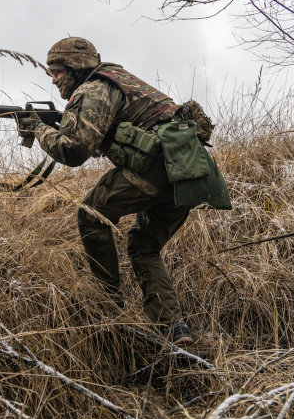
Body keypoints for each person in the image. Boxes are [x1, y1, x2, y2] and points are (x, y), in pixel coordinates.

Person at [18, 36, 198, 345]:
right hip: (189, 174)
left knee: (91, 215)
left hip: (157, 168)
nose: (54, 79)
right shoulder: (120, 80)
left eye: (58, 71)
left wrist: (37, 127)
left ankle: (108, 308)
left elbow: (73, 151)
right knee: (144, 246)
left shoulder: (92, 88)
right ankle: (173, 328)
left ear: (75, 69)